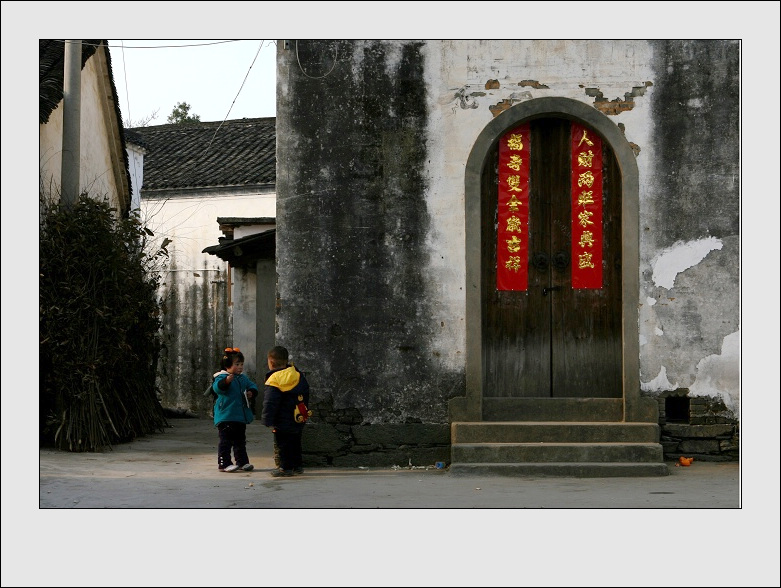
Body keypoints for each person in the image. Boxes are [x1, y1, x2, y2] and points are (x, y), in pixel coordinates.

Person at [261, 345, 310, 477]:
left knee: (283, 445)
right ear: (286, 361)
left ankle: (285, 468)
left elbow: (270, 402)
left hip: (282, 420)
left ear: (270, 362)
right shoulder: (297, 374)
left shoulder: (275, 379)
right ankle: (297, 466)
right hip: (298, 416)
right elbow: (305, 393)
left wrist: (267, 419)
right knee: (295, 442)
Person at [212, 347, 258, 472]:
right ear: (227, 366)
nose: (240, 367)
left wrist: (251, 392)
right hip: (226, 416)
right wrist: (226, 382)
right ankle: (224, 463)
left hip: (239, 417)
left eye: (241, 364)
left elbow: (252, 385)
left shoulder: (242, 378)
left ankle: (242, 462)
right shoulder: (221, 377)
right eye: (237, 364)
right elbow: (217, 388)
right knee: (225, 442)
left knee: (240, 441)